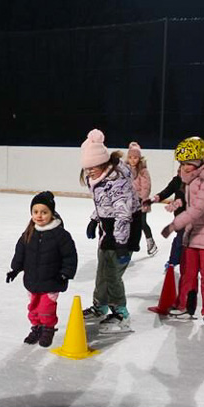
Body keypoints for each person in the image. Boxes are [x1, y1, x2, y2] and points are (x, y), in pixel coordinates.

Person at [159, 137, 204, 324]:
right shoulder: (190, 180)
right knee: (187, 272)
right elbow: (189, 202)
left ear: (200, 160)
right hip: (192, 234)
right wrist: (177, 203)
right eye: (182, 163)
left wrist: (174, 225)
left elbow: (198, 208)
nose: (184, 167)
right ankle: (184, 307)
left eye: (188, 163)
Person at [81, 129, 141, 333]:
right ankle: (100, 307)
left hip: (125, 229)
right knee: (102, 270)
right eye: (87, 167)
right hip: (108, 228)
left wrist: (121, 244)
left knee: (113, 274)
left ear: (104, 163)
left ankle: (121, 314)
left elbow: (122, 214)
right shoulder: (99, 178)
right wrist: (94, 219)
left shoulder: (116, 181)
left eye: (93, 167)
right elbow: (103, 204)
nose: (89, 171)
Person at [6, 191, 78, 348]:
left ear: (52, 214)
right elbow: (20, 253)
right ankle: (37, 327)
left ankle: (48, 329)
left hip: (52, 280)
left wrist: (65, 274)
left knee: (46, 308)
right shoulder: (29, 233)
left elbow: (70, 256)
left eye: (44, 212)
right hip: (32, 280)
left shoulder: (60, 235)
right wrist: (15, 269)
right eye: (35, 212)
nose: (39, 216)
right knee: (33, 308)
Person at [145, 167, 186, 270]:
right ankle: (173, 261)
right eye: (179, 171)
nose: (181, 173)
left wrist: (180, 202)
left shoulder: (194, 182)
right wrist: (154, 199)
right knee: (180, 238)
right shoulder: (176, 181)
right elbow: (167, 191)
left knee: (189, 240)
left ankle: (192, 263)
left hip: (194, 215)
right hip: (180, 215)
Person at [126, 142, 157, 255]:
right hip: (129, 202)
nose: (133, 160)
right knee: (129, 223)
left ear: (139, 158)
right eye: (130, 157)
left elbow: (146, 186)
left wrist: (142, 198)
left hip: (141, 202)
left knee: (142, 223)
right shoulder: (125, 170)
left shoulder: (143, 171)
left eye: (135, 157)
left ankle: (150, 242)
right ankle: (129, 245)